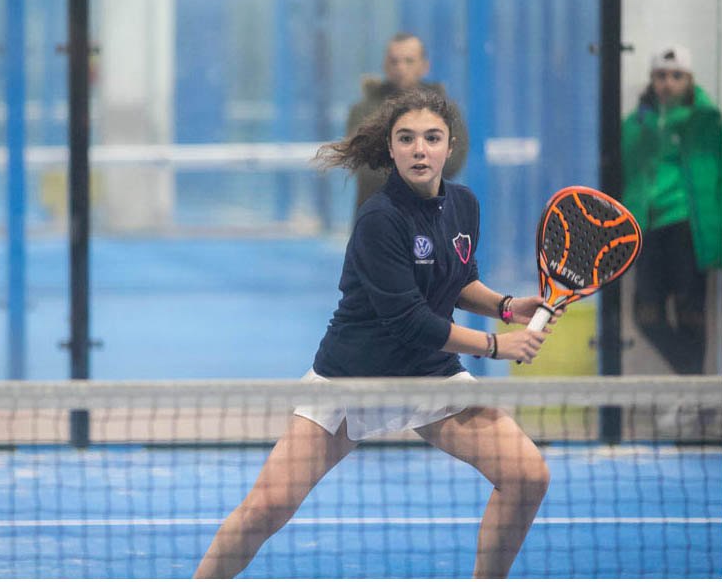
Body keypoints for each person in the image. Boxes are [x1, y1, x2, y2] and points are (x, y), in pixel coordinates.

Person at [194, 88, 561, 579]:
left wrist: (506, 306)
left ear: (450, 147)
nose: (419, 149)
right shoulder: (378, 219)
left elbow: (457, 279)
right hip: (352, 380)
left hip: (429, 376)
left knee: (528, 475)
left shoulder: (464, 205)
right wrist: (495, 345)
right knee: (266, 508)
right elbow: (410, 319)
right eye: (406, 139)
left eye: (432, 138)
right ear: (390, 148)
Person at [622, 45, 722, 374]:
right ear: (652, 79)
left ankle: (692, 388)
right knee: (646, 314)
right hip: (647, 227)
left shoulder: (707, 122)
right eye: (661, 75)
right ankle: (690, 381)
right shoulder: (635, 124)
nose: (668, 83)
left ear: (689, 80)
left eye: (677, 76)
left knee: (690, 312)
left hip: (687, 227)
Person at [346, 32, 469, 213]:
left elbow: (455, 159)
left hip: (432, 213)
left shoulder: (444, 109)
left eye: (409, 61)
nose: (401, 68)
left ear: (425, 66)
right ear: (385, 65)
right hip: (378, 215)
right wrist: (422, 172)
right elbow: (364, 163)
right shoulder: (363, 111)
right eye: (394, 61)